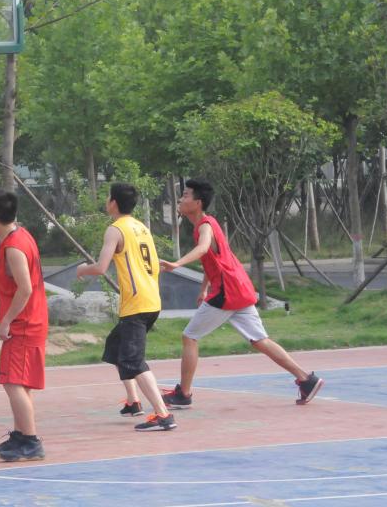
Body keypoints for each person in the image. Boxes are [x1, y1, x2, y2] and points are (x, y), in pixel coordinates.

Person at [160, 179, 324, 409]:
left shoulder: (205, 226)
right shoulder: (208, 224)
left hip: (228, 292)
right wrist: (204, 287)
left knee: (189, 336)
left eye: (185, 195)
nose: (180, 199)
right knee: (260, 340)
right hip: (240, 288)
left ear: (198, 203)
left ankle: (183, 394)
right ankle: (306, 379)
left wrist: (177, 264)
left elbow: (203, 249)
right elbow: (213, 260)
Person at [76, 183, 176, 432]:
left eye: (108, 197)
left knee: (134, 360)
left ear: (113, 203)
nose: (106, 201)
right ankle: (133, 402)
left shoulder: (115, 229)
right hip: (151, 300)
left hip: (137, 304)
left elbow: (101, 267)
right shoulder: (141, 227)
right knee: (115, 347)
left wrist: (82, 270)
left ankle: (163, 414)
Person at [0, 190, 48, 462]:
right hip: (32, 319)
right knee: (21, 383)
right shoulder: (21, 236)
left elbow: (25, 288)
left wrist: (6, 320)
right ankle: (21, 435)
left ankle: (31, 441)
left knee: (11, 382)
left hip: (23, 323)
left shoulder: (14, 246)